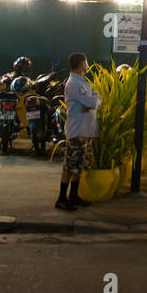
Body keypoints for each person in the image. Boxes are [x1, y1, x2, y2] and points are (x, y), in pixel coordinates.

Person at [57, 52, 100, 212]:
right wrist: (91, 103)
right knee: (70, 165)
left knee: (79, 166)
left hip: (86, 130)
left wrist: (91, 104)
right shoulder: (73, 84)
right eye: (86, 61)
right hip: (77, 131)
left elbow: (97, 100)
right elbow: (93, 101)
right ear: (82, 63)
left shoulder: (82, 82)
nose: (88, 64)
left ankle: (73, 196)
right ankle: (61, 198)